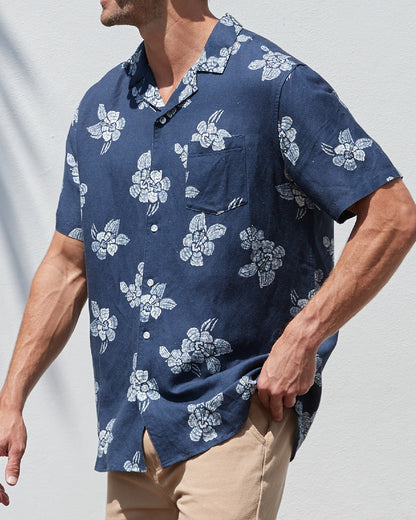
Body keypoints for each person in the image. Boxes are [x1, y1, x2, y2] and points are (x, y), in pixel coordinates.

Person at [1, 1, 415, 518]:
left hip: (232, 413)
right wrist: (10, 399)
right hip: (131, 437)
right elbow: (68, 264)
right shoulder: (99, 111)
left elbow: (392, 216)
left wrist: (303, 338)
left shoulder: (273, 85)